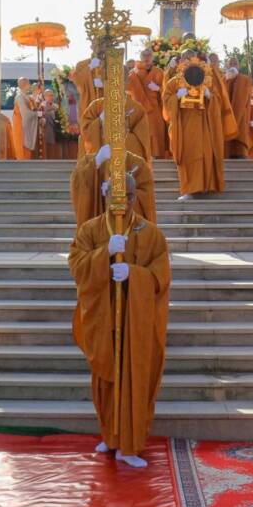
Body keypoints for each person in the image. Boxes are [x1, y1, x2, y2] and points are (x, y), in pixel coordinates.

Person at [69, 174, 170, 468]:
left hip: (137, 323)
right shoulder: (90, 230)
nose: (120, 203)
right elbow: (76, 265)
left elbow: (161, 276)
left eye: (126, 196)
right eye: (114, 196)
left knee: (135, 379)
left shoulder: (151, 234)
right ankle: (110, 436)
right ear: (104, 196)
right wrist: (105, 254)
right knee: (105, 378)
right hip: (104, 319)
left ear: (134, 197)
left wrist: (134, 275)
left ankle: (130, 444)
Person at [162, 50, 229, 200]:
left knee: (205, 154)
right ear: (180, 61)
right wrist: (176, 97)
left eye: (191, 58)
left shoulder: (206, 79)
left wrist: (210, 97)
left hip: (204, 124)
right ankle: (189, 189)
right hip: (184, 125)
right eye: (185, 58)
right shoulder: (174, 82)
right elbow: (166, 102)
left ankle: (206, 186)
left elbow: (218, 100)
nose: (188, 61)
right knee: (188, 155)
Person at [70, 145, 157, 226]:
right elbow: (78, 184)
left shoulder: (138, 163)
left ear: (126, 134)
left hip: (129, 229)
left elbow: (146, 196)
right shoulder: (87, 161)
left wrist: (119, 189)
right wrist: (96, 161)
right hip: (99, 227)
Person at [80, 97, 153, 168]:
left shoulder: (136, 108)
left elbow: (142, 139)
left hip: (127, 160)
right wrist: (100, 119)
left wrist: (121, 137)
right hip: (102, 161)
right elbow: (86, 132)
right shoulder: (96, 106)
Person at [127, 48, 168, 159]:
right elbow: (128, 89)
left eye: (149, 55)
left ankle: (157, 154)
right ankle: (143, 154)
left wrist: (158, 88)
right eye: (144, 55)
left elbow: (167, 90)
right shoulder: (133, 73)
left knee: (156, 130)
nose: (146, 57)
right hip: (139, 108)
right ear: (140, 57)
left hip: (155, 108)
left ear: (152, 57)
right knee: (142, 130)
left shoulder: (159, 72)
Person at [223, 56, 253, 159]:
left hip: (240, 120)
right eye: (231, 64)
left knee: (239, 152)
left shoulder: (245, 79)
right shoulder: (223, 79)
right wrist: (225, 79)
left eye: (235, 64)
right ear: (227, 66)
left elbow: (242, 100)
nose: (233, 66)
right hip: (226, 119)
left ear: (239, 66)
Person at [12, 77, 39, 160]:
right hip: (21, 127)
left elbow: (32, 109)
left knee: (27, 150)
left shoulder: (27, 97)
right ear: (25, 85)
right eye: (29, 83)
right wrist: (38, 114)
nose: (30, 85)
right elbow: (26, 114)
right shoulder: (20, 97)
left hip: (26, 127)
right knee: (22, 148)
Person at [72, 50, 105, 118]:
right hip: (88, 103)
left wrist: (105, 84)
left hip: (104, 102)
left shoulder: (109, 63)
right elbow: (77, 79)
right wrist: (90, 66)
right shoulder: (81, 64)